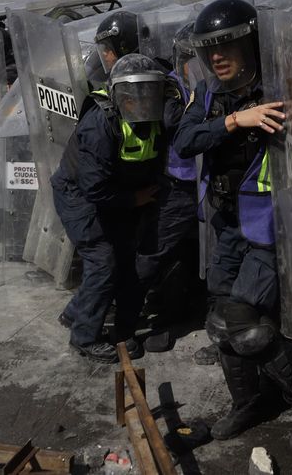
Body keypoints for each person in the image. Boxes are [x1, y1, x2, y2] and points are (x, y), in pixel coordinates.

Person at [173, 0, 292, 439]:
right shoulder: (209, 95)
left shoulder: (280, 86)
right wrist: (233, 121)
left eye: (227, 46)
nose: (217, 57)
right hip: (227, 222)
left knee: (243, 320)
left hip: (270, 225)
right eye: (209, 49)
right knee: (220, 320)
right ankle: (247, 403)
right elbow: (184, 142)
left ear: (251, 44)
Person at [52, 53, 167, 363]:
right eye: (133, 94)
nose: (141, 100)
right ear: (119, 95)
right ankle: (84, 337)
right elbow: (93, 187)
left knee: (119, 256)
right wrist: (135, 199)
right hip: (79, 196)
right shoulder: (100, 124)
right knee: (103, 263)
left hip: (113, 194)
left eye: (148, 91)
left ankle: (75, 313)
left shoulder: (154, 119)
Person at [136, 24, 204, 353]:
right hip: (178, 184)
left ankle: (180, 309)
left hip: (203, 185)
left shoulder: (208, 86)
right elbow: (171, 121)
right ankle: (130, 312)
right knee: (157, 251)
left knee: (192, 253)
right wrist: (198, 104)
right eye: (194, 61)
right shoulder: (173, 87)